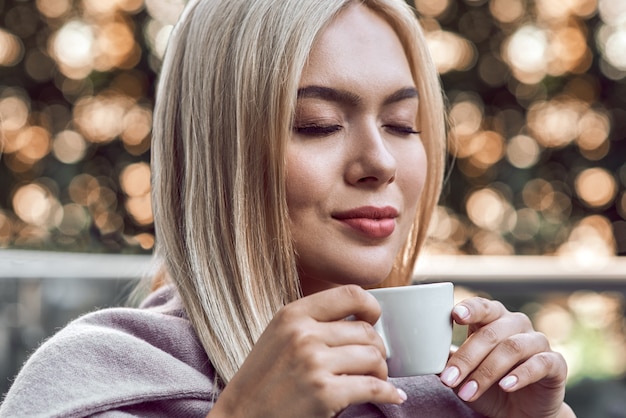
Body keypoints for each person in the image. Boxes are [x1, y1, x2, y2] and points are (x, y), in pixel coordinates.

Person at [0, 0, 575, 417]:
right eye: (317, 125)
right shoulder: (96, 379)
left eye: (403, 124)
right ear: (216, 154)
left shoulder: (456, 396)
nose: (380, 161)